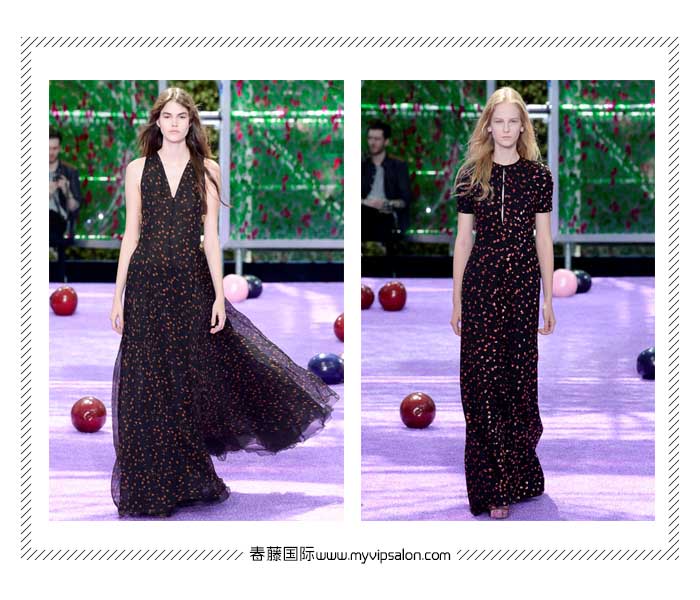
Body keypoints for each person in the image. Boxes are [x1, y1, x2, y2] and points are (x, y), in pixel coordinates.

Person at [108, 87, 339, 518]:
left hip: (191, 286)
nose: (174, 123)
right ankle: (148, 488)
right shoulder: (137, 169)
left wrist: (217, 294)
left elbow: (211, 238)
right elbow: (131, 233)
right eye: (167, 116)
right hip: (145, 286)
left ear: (191, 123)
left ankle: (184, 480)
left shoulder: (208, 170)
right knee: (143, 382)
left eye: (182, 117)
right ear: (157, 121)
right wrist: (117, 295)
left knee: (183, 383)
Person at [450, 86, 555, 519]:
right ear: (488, 126)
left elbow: (544, 238)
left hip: (523, 286)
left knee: (518, 380)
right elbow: (463, 240)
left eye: (514, 121)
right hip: (482, 284)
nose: (507, 128)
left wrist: (549, 298)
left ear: (524, 126)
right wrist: (456, 298)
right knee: (481, 381)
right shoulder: (470, 175)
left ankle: (518, 474)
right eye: (500, 121)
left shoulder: (539, 176)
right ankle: (492, 487)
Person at [361, 120, 412, 254]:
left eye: (377, 139)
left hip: (387, 216)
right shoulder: (362, 166)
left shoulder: (398, 166)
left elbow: (405, 199)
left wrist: (386, 203)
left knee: (383, 219)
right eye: (370, 138)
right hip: (364, 214)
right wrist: (366, 202)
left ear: (386, 141)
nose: (372, 142)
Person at [49, 128, 83, 282]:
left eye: (54, 148)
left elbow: (74, 207)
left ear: (60, 148)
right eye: (48, 148)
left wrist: (66, 190)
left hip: (60, 223)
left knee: (53, 219)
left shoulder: (69, 171)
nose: (51, 153)